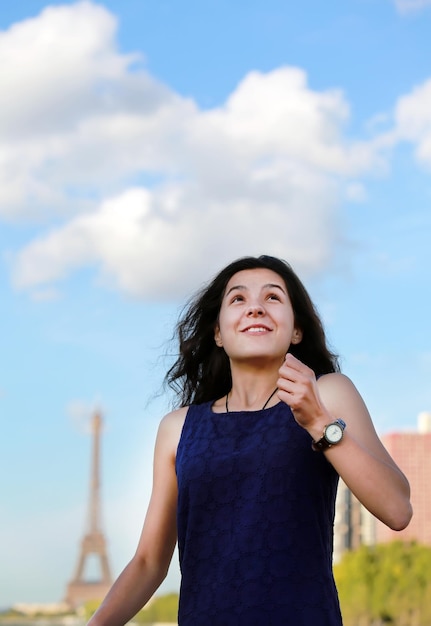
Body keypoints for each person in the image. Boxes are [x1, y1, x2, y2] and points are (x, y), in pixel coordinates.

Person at [88, 255, 412, 626]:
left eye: (273, 298)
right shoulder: (177, 429)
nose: (255, 307)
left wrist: (320, 423)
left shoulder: (328, 394)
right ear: (218, 333)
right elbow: (148, 562)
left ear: (296, 331)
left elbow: (397, 510)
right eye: (238, 299)